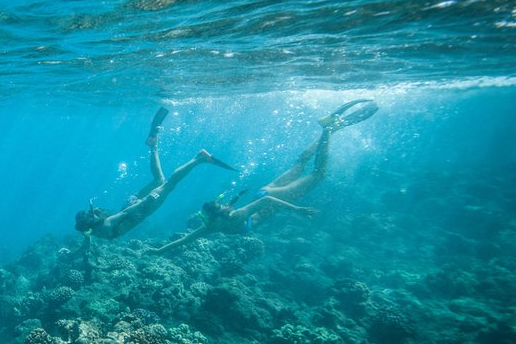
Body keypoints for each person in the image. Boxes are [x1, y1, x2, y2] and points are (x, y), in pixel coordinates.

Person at [149, 99, 378, 254]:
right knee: (300, 163)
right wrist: (158, 251)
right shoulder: (212, 225)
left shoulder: (232, 218)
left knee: (318, 175)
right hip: (266, 191)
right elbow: (184, 240)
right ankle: (329, 129)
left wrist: (295, 210)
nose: (225, 209)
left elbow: (266, 202)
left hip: (271, 197)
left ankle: (328, 131)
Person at [74, 107, 236, 242]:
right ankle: (153, 145)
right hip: (131, 203)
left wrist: (148, 200)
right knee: (159, 180)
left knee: (170, 184)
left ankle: (199, 159)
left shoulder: (104, 226)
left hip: (140, 208)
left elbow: (125, 214)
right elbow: (91, 238)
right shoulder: (94, 231)